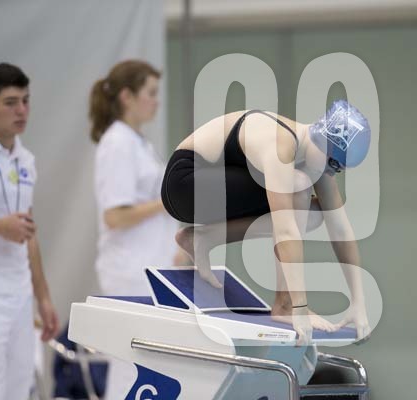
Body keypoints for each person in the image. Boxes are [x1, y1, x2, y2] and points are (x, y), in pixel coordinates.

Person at [161, 100, 371, 344]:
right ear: (322, 140)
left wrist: (359, 303)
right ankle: (285, 304)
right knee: (299, 188)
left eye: (339, 169)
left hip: (214, 184)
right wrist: (300, 306)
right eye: (333, 163)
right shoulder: (280, 145)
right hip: (184, 185)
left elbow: (341, 230)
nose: (332, 172)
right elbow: (285, 232)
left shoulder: (316, 157)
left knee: (315, 212)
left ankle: (203, 238)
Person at [89, 60, 182, 399]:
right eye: (151, 93)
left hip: (151, 267)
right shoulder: (117, 143)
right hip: (129, 272)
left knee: (150, 365)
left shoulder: (139, 143)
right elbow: (115, 215)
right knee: (130, 363)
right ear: (127, 96)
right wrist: (167, 202)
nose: (157, 101)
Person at [0, 63, 59, 400]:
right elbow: (9, 227)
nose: (22, 110)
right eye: (11, 102)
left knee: (20, 387)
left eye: (26, 101)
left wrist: (43, 296)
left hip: (18, 291)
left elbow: (28, 233)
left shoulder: (26, 160)